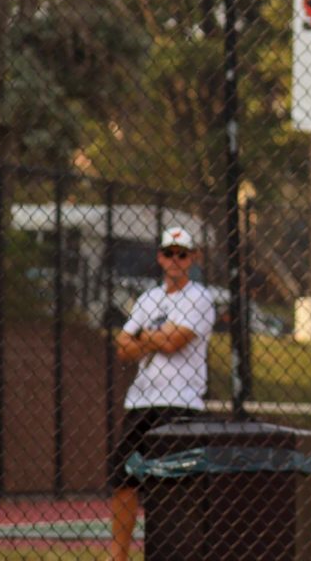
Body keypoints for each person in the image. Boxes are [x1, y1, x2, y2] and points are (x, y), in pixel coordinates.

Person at [108, 226, 216, 561]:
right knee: (123, 477)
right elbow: (122, 347)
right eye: (168, 253)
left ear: (192, 258)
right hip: (142, 401)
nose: (174, 259)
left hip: (181, 402)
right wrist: (157, 336)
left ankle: (175, 552)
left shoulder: (200, 297)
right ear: (159, 257)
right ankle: (118, 555)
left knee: (175, 484)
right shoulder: (148, 298)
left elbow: (175, 341)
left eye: (181, 254)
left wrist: (145, 336)